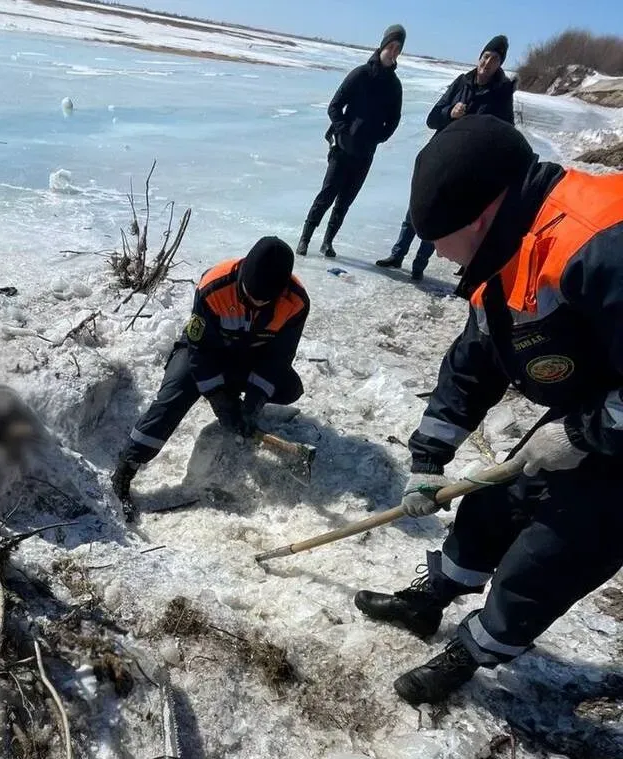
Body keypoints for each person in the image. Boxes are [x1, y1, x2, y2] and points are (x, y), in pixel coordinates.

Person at [354, 115, 623, 705]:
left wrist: (586, 433)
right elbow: (476, 361)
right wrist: (429, 457)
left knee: (547, 559)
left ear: (477, 217)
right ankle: (431, 600)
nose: (437, 255)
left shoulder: (600, 238)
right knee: (493, 503)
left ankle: (472, 653)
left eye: (437, 240)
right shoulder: (508, 245)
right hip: (590, 415)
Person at [111, 237, 310, 519]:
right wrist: (219, 399)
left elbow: (278, 359)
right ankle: (126, 467)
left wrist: (252, 403)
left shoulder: (295, 301)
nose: (257, 303)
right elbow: (200, 352)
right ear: (242, 277)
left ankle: (243, 409)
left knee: (288, 388)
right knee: (173, 397)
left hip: (249, 356)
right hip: (203, 351)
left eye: (265, 301)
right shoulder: (215, 285)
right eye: (252, 296)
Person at [376, 35, 515, 280]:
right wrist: (450, 112)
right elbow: (432, 118)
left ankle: (419, 266)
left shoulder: (501, 95)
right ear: (479, 57)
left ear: (500, 64)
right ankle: (397, 255)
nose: (487, 63)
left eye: (494, 59)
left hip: (466, 168)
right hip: (438, 156)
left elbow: (504, 134)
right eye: (485, 56)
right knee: (415, 211)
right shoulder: (461, 82)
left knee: (438, 216)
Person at [295, 25, 405, 258]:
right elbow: (334, 106)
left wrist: (379, 137)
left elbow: (394, 120)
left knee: (345, 202)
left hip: (365, 153)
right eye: (391, 46)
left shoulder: (395, 86)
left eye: (398, 49)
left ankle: (327, 242)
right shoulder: (360, 74)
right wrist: (343, 130)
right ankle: (305, 238)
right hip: (342, 149)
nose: (393, 52)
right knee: (327, 195)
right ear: (383, 45)